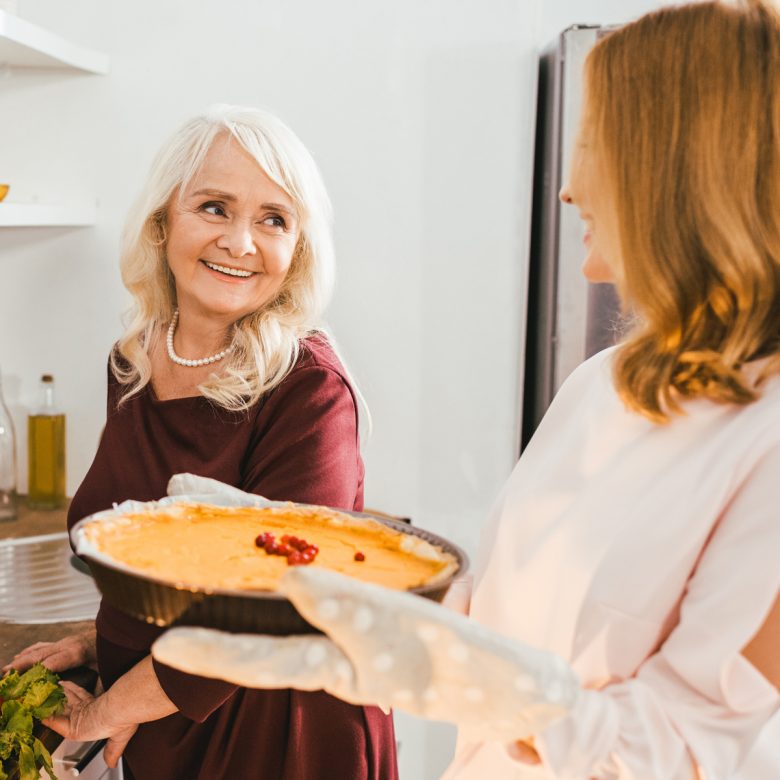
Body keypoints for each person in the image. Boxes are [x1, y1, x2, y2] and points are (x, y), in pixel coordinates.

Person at [150, 3, 780, 778]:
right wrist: (332, 576)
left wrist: (520, 700)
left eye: (598, 146)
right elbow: (503, 622)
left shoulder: (767, 443)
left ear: (683, 171)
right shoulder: (601, 387)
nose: (570, 188)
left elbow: (702, 748)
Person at [3, 105, 398, 780]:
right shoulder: (132, 362)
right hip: (165, 716)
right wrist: (99, 646)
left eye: (273, 218)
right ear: (162, 224)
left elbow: (275, 608)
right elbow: (149, 565)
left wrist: (104, 713)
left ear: (298, 247)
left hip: (282, 734)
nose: (241, 242)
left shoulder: (308, 388)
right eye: (214, 207)